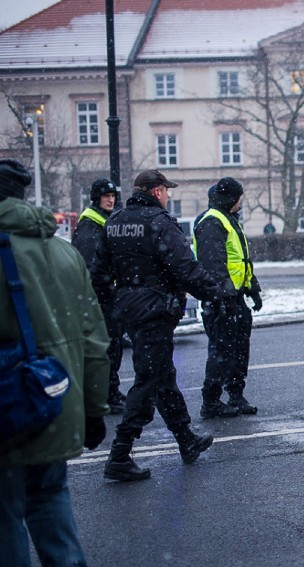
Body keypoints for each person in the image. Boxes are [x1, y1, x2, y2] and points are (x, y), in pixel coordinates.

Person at [0, 159, 110, 565]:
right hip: (51, 403)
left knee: (5, 516)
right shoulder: (63, 252)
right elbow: (94, 340)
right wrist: (94, 410)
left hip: (5, 412)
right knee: (49, 499)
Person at [93, 169, 226, 482]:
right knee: (149, 378)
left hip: (130, 308)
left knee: (162, 375)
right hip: (155, 308)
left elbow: (98, 271)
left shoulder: (115, 221)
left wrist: (119, 299)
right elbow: (185, 267)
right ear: (156, 192)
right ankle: (120, 453)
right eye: (166, 190)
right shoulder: (159, 222)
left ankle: (185, 439)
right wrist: (215, 294)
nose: (168, 195)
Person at [193, 177, 262, 419]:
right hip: (221, 300)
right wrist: (224, 298)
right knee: (221, 351)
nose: (241, 202)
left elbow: (241, 261)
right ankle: (210, 402)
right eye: (239, 198)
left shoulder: (229, 221)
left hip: (235, 297)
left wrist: (252, 288)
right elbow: (213, 266)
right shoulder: (212, 222)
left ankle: (236, 395)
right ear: (232, 199)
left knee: (239, 349)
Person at [72, 178, 126, 414]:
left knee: (111, 348)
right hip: (101, 298)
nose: (111, 199)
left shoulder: (103, 221)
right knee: (107, 349)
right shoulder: (90, 225)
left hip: (108, 296)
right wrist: (107, 289)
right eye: (106, 196)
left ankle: (110, 392)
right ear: (96, 198)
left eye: (113, 195)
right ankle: (107, 395)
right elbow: (91, 266)